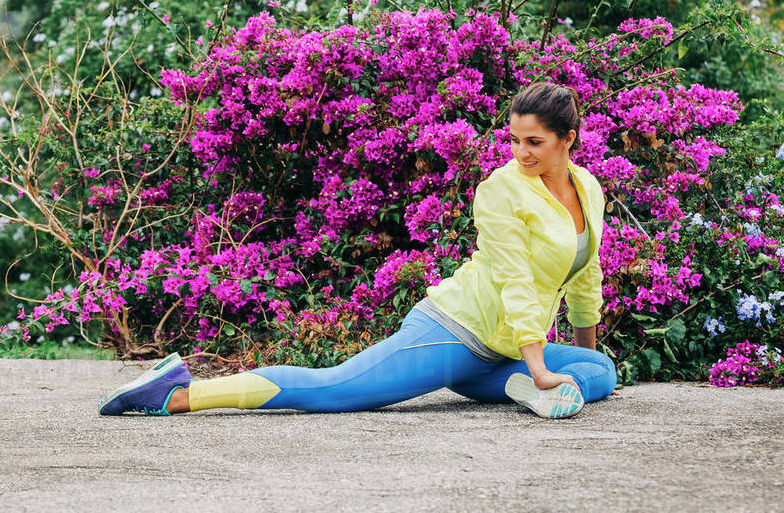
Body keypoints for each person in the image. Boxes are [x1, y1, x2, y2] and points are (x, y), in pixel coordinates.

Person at [98, 81, 616, 418]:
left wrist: (572, 362)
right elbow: (515, 278)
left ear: (567, 139)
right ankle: (178, 392)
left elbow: (585, 275)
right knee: (334, 390)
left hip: (502, 355)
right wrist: (542, 366)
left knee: (601, 372)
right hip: (456, 331)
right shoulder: (500, 189)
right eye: (514, 140)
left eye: (534, 143)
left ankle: (529, 390)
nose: (519, 153)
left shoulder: (588, 189)